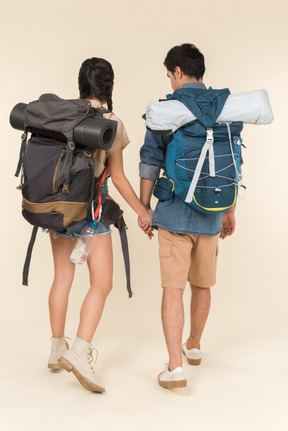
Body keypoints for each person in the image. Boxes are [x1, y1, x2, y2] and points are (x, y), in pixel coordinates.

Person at [48, 57, 153, 393]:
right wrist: (142, 211)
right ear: (108, 85)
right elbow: (118, 176)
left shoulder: (62, 116)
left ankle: (55, 350)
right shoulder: (112, 122)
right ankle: (79, 352)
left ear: (81, 83)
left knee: (62, 278)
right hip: (91, 213)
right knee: (102, 284)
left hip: (58, 210)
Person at [138, 44, 237, 389]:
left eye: (169, 74)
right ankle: (194, 346)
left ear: (178, 72)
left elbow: (150, 160)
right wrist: (229, 211)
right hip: (212, 214)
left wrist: (144, 208)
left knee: (172, 290)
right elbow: (231, 164)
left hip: (174, 215)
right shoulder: (224, 109)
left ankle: (175, 368)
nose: (170, 80)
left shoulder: (166, 111)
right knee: (202, 284)